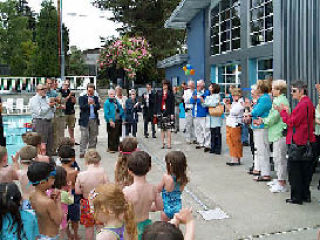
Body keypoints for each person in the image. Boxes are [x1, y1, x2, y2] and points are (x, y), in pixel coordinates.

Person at [276, 81, 316, 205]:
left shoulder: (303, 105)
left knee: (295, 171)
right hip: (306, 139)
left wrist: (283, 112)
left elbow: (292, 122)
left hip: (298, 141)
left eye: (294, 91)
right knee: (305, 170)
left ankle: (297, 197)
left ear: (301, 91)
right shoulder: (307, 103)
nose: (292, 93)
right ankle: (304, 194)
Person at [257, 80, 289, 193]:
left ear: (279, 90)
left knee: (279, 158)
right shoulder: (278, 100)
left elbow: (274, 117)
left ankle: (282, 182)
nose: (271, 91)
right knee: (276, 157)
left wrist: (263, 120)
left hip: (279, 133)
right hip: (276, 133)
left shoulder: (279, 101)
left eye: (273, 89)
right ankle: (279, 179)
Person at [123, 151, 162, 240]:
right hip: (146, 226)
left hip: (131, 227)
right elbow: (160, 207)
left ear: (129, 171)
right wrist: (148, 206)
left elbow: (121, 212)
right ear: (149, 168)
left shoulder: (126, 191)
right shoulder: (153, 189)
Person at [75, 149, 109, 240]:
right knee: (100, 227)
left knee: (89, 228)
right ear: (99, 161)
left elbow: (77, 191)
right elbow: (108, 186)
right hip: (100, 202)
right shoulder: (102, 171)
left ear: (86, 162)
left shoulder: (81, 175)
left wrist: (84, 191)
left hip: (87, 203)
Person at [28, 161, 62, 239]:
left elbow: (42, 214)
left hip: (40, 234)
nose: (53, 182)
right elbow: (58, 221)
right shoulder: (48, 202)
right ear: (42, 182)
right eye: (52, 179)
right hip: (51, 236)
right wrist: (58, 202)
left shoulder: (32, 195)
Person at [250, 80, 272, 181]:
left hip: (262, 127)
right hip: (259, 126)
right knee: (260, 149)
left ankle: (265, 173)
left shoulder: (264, 99)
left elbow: (256, 111)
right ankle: (262, 171)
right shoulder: (264, 98)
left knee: (262, 150)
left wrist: (250, 111)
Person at [157, 151, 189, 221]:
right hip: (178, 208)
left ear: (170, 166)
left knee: (165, 229)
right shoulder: (184, 179)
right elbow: (179, 192)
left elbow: (158, 189)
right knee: (174, 228)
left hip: (166, 207)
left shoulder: (166, 177)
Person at [58, 145, 80, 240]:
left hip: (62, 196)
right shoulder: (74, 172)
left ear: (59, 158)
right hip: (73, 196)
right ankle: (75, 234)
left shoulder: (57, 170)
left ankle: (68, 234)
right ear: (73, 159)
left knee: (64, 217)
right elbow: (78, 185)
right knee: (75, 218)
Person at [47, 166, 74, 240]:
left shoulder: (47, 192)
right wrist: (70, 189)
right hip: (62, 219)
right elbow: (71, 201)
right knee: (61, 236)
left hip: (51, 220)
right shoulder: (64, 194)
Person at [29, 84, 55, 156]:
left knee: (50, 142)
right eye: (42, 89)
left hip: (49, 121)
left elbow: (53, 109)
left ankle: (49, 160)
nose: (44, 90)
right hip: (40, 122)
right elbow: (40, 112)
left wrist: (52, 106)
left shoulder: (47, 98)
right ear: (37, 90)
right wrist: (49, 106)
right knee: (41, 144)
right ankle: (40, 160)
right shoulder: (34, 99)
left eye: (45, 88)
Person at [78, 84, 101, 158]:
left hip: (94, 119)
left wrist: (94, 104)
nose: (90, 92)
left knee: (93, 136)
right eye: (89, 90)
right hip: (85, 120)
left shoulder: (96, 98)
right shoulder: (82, 98)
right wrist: (88, 103)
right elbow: (81, 107)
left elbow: (98, 107)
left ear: (94, 90)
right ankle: (82, 151)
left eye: (92, 90)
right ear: (87, 90)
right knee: (84, 136)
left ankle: (92, 152)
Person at [224, 88, 244, 165]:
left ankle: (235, 159)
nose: (232, 97)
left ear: (237, 95)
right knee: (232, 141)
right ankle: (235, 157)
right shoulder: (236, 103)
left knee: (234, 142)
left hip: (235, 124)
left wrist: (227, 105)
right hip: (231, 124)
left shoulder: (240, 103)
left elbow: (233, 112)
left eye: (233, 95)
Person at [190, 80, 210, 151]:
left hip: (203, 113)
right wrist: (194, 98)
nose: (197, 86)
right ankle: (200, 142)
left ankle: (207, 144)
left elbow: (205, 101)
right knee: (198, 129)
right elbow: (191, 101)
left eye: (199, 85)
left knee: (205, 129)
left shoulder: (207, 92)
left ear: (203, 85)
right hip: (195, 113)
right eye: (197, 85)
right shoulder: (195, 92)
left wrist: (197, 99)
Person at [203, 83, 223, 154]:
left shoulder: (217, 96)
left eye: (210, 86)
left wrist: (206, 103)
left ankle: (218, 149)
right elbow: (205, 104)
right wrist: (206, 103)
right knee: (212, 133)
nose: (209, 87)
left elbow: (213, 104)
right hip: (211, 116)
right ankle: (213, 147)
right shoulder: (209, 96)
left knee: (217, 133)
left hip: (216, 117)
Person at [154, 80, 175, 149]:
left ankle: (169, 144)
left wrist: (172, 113)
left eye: (165, 85)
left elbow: (172, 104)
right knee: (162, 129)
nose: (164, 86)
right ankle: (162, 144)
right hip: (160, 112)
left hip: (168, 112)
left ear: (168, 85)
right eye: (163, 85)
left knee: (168, 129)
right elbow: (156, 103)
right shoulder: (159, 92)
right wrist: (156, 113)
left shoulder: (171, 93)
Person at [17, 145, 37, 210]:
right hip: (36, 201)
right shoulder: (38, 172)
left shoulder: (19, 173)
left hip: (24, 202)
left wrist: (15, 162)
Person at [104, 89, 124, 153]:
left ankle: (115, 147)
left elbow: (120, 108)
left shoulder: (116, 101)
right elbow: (106, 113)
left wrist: (121, 115)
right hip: (111, 121)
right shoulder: (107, 102)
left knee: (117, 134)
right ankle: (111, 148)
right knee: (111, 135)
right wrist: (110, 120)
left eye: (113, 94)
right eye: (111, 94)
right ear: (108, 95)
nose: (112, 95)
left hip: (118, 119)